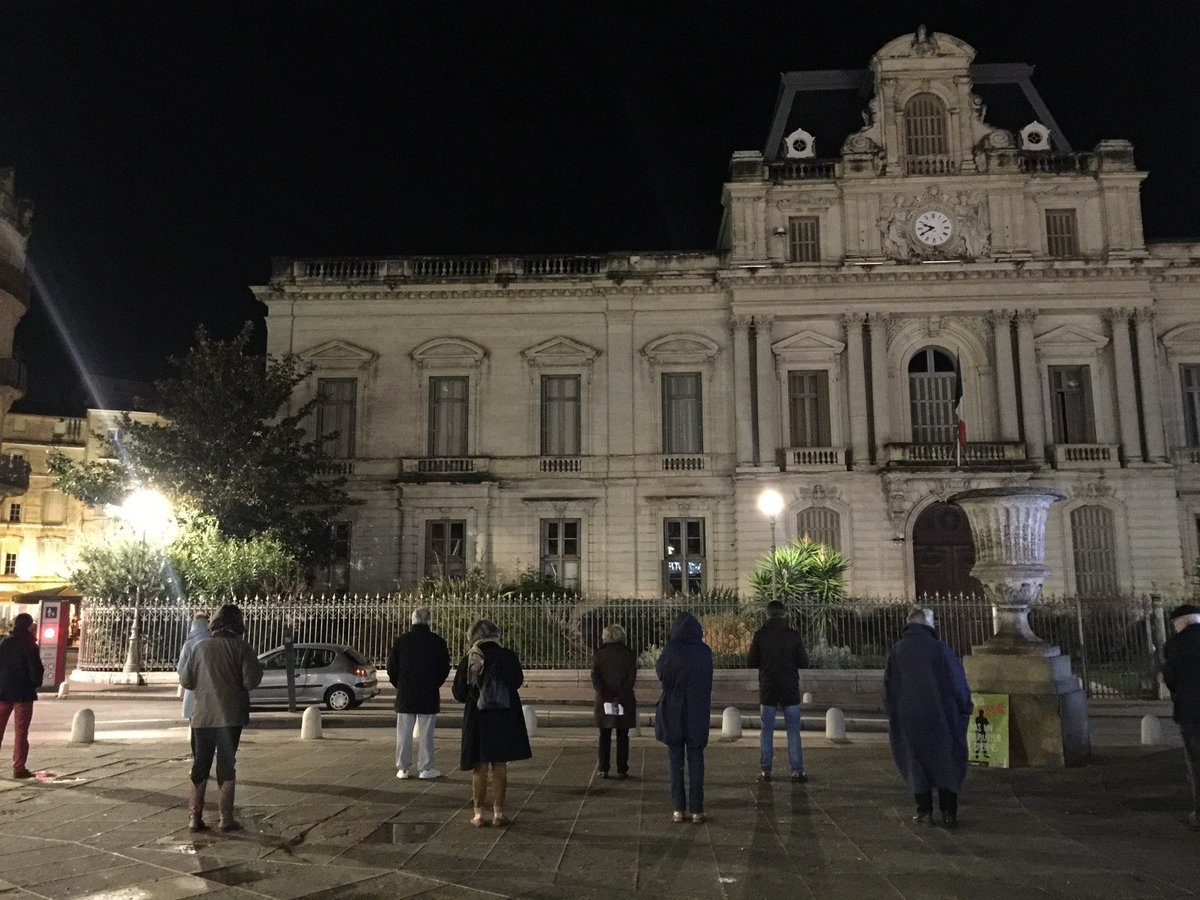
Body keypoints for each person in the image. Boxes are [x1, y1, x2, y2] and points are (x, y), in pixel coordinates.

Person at [883, 607, 972, 828]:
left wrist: (893, 711)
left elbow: (888, 686)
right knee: (946, 760)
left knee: (915, 761)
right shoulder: (940, 649)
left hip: (909, 716)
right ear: (928, 624)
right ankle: (949, 811)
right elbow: (956, 681)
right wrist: (965, 705)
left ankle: (924, 811)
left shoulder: (897, 650)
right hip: (942, 714)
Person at [178, 604, 263, 833]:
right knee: (227, 763)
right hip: (230, 716)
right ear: (238, 624)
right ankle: (226, 818)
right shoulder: (242, 648)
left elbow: (186, 681)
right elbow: (250, 681)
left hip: (203, 716)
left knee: (200, 764)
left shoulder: (199, 647)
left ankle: (194, 818)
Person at [451, 619, 531, 827]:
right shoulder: (508, 656)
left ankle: (478, 815)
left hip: (478, 717)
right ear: (496, 635)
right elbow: (516, 682)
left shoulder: (470, 659)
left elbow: (459, 693)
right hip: (504, 716)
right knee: (500, 765)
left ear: (473, 637)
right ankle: (498, 812)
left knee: (480, 766)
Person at [655, 611, 713, 824]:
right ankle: (697, 810)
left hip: (673, 711)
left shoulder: (671, 651)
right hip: (697, 710)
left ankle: (678, 809)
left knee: (675, 762)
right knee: (697, 761)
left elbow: (661, 674)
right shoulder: (704, 652)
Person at [746, 599, 809, 783]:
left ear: (767, 614)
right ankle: (797, 770)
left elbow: (751, 662)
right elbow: (803, 662)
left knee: (766, 730)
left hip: (768, 688)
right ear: (784, 614)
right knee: (793, 731)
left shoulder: (760, 635)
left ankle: (766, 770)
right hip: (789, 688)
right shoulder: (793, 635)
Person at [387, 606, 451, 780]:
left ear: (412, 620)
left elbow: (391, 668)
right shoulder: (437, 641)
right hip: (428, 691)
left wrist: (399, 684)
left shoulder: (401, 641)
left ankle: (403, 768)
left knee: (404, 733)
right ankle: (426, 767)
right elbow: (444, 668)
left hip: (406, 691)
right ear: (429, 621)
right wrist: (434, 683)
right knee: (427, 733)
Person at [1163, 603, 1200, 831]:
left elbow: (1171, 678)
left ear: (1182, 622)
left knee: (1196, 764)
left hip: (1191, 712)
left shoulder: (1175, 645)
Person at [591, 623, 638, 779]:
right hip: (624, 700)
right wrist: (619, 697)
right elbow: (630, 680)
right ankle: (622, 768)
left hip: (604, 700)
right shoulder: (629, 655)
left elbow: (596, 680)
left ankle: (603, 768)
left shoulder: (599, 655)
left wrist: (608, 696)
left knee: (604, 734)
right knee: (623, 735)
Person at [0, 613, 44, 779]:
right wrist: (34, 683)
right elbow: (35, 670)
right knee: (21, 732)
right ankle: (18, 767)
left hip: (2, 692)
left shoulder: (4, 642)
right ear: (28, 626)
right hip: (23, 694)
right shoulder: (30, 645)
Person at [177, 612, 211, 757]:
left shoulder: (189, 644)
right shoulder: (212, 641)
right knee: (210, 725)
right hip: (211, 689)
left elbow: (180, 668)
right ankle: (207, 754)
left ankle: (197, 755)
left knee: (195, 725)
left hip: (193, 690)